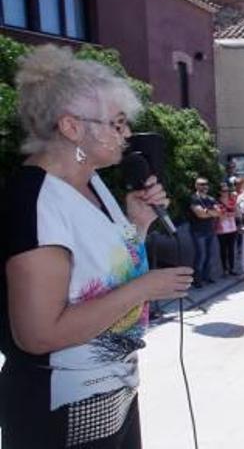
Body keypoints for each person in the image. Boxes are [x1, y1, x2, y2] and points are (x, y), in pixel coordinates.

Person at [0, 45, 193, 447]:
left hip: (116, 393)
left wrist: (138, 224)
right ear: (72, 128)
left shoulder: (95, 183)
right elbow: (37, 335)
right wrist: (144, 288)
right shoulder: (35, 200)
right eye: (117, 123)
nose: (126, 135)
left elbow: (111, 274)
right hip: (61, 412)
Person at [189, 177, 221, 287]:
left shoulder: (211, 199)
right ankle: (197, 280)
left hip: (210, 231)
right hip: (198, 232)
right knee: (200, 256)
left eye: (206, 184)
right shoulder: (194, 198)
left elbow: (219, 213)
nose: (204, 186)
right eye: (201, 184)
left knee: (209, 255)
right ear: (196, 186)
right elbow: (200, 215)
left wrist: (206, 211)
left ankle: (207, 277)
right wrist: (210, 212)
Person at [215, 182, 240, 277]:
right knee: (223, 250)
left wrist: (227, 214)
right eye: (223, 191)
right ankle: (225, 269)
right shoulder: (216, 202)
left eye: (227, 191)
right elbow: (220, 217)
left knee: (231, 250)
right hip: (221, 230)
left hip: (232, 229)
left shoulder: (231, 201)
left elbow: (237, 213)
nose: (225, 192)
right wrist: (229, 214)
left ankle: (232, 269)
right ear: (219, 192)